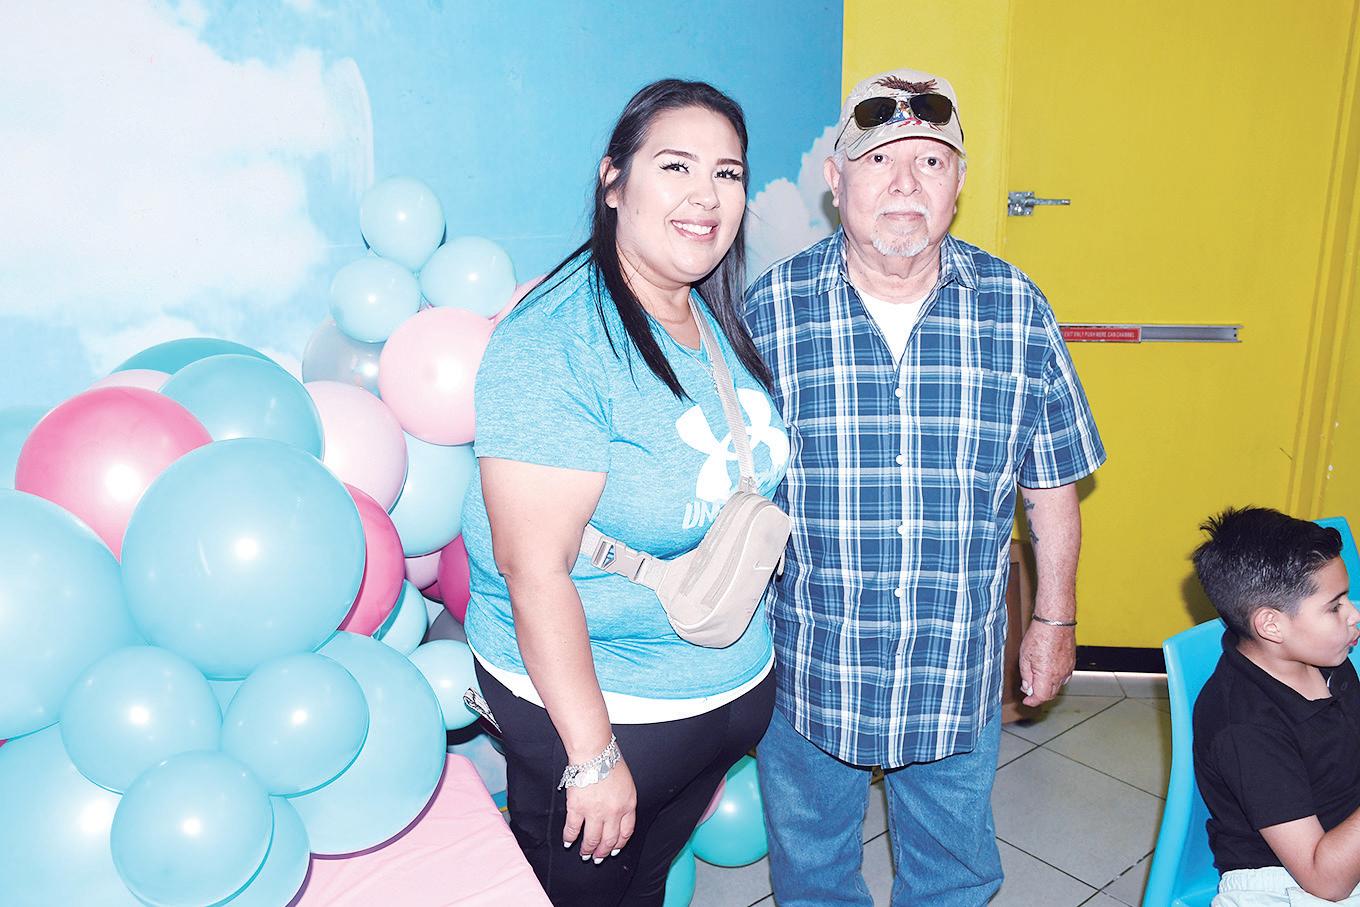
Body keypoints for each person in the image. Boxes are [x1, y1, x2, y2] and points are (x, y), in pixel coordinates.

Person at [743, 67, 1106, 905]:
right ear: (836, 180)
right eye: (878, 160)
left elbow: (1053, 482)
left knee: (953, 871)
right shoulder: (769, 312)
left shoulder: (1018, 310)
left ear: (959, 182)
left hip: (954, 663)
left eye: (931, 161)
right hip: (810, 661)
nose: (906, 183)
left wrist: (1054, 620)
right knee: (811, 870)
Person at [460, 79, 789, 906]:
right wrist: (593, 756)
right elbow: (533, 569)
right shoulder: (557, 341)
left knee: (645, 889)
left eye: (727, 173)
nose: (706, 195)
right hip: (606, 719)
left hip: (714, 699)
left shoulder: (703, 312)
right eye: (676, 165)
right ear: (614, 181)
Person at [1192, 507, 1360, 905]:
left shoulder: (1323, 656)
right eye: (1335, 606)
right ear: (1271, 625)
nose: (1354, 614)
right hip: (1284, 880)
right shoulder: (1246, 728)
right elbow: (1325, 883)